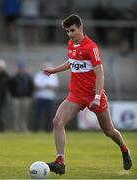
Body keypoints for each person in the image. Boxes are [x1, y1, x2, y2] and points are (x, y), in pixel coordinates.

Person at [43, 14, 132, 175]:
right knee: (57, 121)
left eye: (72, 30)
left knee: (109, 131)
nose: (70, 35)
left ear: (80, 28)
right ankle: (60, 161)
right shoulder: (71, 44)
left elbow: (100, 74)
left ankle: (124, 149)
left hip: (93, 95)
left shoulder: (91, 47)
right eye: (67, 32)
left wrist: (97, 97)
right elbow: (71, 61)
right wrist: (54, 70)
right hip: (76, 95)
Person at [33, 61, 59, 132]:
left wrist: (44, 86)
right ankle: (36, 129)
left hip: (49, 97)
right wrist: (47, 86)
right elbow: (36, 85)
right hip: (40, 97)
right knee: (38, 114)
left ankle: (48, 129)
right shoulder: (38, 75)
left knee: (49, 114)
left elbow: (55, 86)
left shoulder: (53, 75)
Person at [10, 61, 34, 132]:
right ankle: (16, 128)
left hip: (26, 98)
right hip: (16, 98)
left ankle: (24, 127)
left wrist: (29, 95)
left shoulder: (28, 77)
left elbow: (31, 86)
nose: (21, 69)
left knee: (25, 114)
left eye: (22, 68)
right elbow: (11, 87)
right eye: (20, 68)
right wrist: (13, 95)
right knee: (16, 114)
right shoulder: (14, 77)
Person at [0, 59, 10, 132]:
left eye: (1, 67)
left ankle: (2, 129)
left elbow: (10, 86)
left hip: (3, 98)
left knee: (2, 115)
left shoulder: (6, 76)